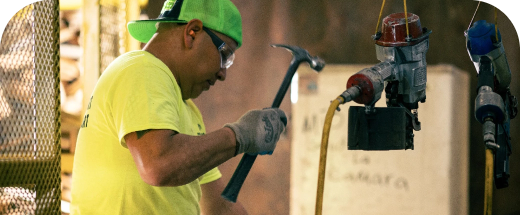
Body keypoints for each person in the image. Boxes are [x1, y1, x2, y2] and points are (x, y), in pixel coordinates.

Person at [69, 0, 287, 214]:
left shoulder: (187, 111)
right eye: (224, 55)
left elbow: (218, 207)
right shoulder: (142, 69)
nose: (223, 73)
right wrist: (240, 135)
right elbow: (159, 165)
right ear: (192, 32)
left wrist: (246, 135)